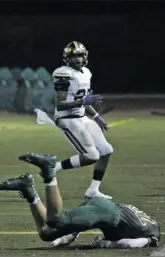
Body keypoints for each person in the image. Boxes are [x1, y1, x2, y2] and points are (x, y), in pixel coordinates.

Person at [0, 153, 160, 248]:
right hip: (107, 213)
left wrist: (69, 235)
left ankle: (28, 190)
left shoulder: (147, 223)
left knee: (48, 234)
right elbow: (130, 244)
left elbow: (94, 218)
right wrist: (107, 244)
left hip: (104, 210)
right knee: (56, 220)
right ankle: (49, 171)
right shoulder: (153, 235)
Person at [35, 41, 113, 199]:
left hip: (82, 117)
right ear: (68, 58)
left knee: (106, 150)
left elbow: (84, 99)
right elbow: (60, 104)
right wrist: (83, 102)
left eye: (81, 55)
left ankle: (93, 190)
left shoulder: (86, 73)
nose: (79, 59)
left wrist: (96, 117)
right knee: (91, 156)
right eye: (75, 56)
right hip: (67, 119)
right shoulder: (63, 73)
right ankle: (53, 168)